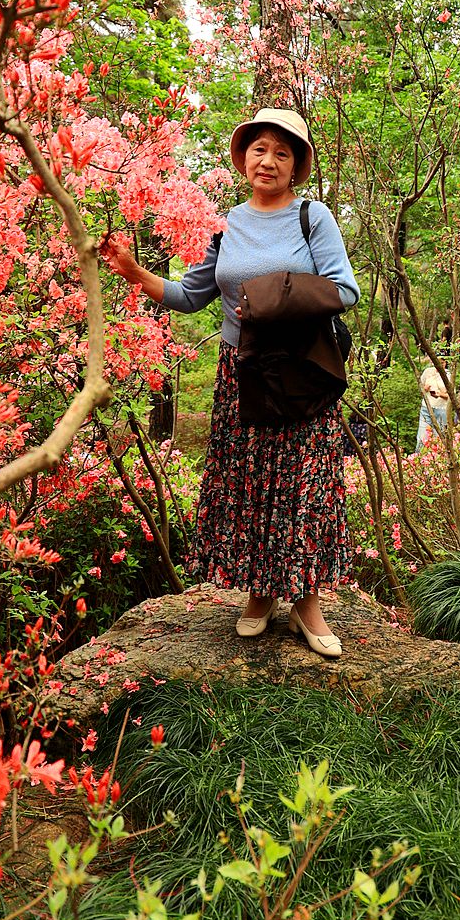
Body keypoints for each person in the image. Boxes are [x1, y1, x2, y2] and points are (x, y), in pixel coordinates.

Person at [102, 108, 360, 658]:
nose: (268, 161)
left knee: (303, 481)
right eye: (259, 149)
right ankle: (263, 593)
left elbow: (344, 289)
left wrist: (271, 302)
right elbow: (191, 295)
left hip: (297, 369)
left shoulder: (314, 218)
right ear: (244, 156)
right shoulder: (225, 222)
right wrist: (132, 272)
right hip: (239, 370)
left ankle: (307, 601)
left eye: (282, 153)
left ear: (296, 167)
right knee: (251, 482)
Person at [415, 359, 450, 453]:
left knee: (438, 438)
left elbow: (451, 396)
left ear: (445, 363)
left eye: (442, 362)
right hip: (426, 408)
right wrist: (424, 389)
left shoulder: (448, 375)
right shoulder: (428, 372)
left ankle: (438, 461)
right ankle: (419, 459)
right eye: (437, 362)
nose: (439, 365)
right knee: (422, 437)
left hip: (441, 410)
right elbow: (420, 387)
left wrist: (440, 394)